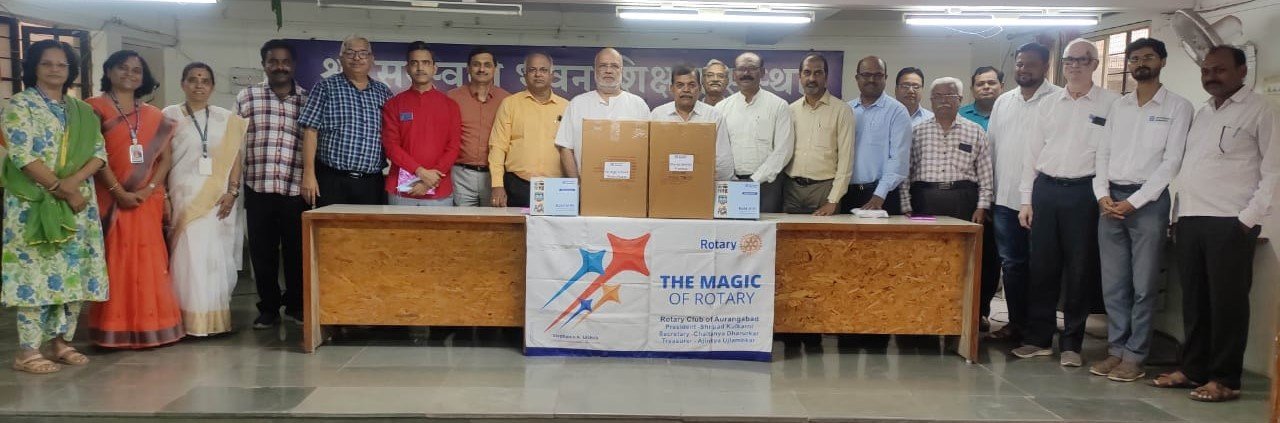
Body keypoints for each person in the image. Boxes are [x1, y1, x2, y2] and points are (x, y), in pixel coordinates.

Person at [1153, 45, 1278, 403]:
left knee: (1227, 305)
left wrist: (1247, 220)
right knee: (1194, 304)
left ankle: (1225, 379)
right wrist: (1178, 217)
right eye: (1206, 70)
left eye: (1220, 69)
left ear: (1242, 71)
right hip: (1191, 220)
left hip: (1230, 223)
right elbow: (1193, 168)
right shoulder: (1203, 112)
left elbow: (1274, 171)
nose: (1211, 76)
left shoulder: (1261, 111)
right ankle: (1193, 369)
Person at [2, 40, 109, 373]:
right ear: (34, 67)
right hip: (33, 203)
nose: (54, 69)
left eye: (62, 64)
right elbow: (22, 155)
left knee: (72, 273)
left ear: (70, 70)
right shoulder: (20, 105)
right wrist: (60, 188)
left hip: (77, 203)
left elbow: (99, 153)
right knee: (34, 273)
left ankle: (60, 342)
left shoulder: (82, 111)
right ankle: (28, 351)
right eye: (46, 63)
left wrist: (73, 183)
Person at [1090, 37, 1192, 382]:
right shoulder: (1119, 106)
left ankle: (1135, 356)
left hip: (1147, 203)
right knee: (1114, 284)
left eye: (1148, 57)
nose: (1140, 64)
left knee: (1144, 285)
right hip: (1110, 201)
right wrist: (1102, 194)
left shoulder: (1178, 107)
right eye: (1134, 59)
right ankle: (1116, 350)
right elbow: (1102, 153)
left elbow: (1171, 162)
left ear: (1162, 61)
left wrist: (1135, 201)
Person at [1014, 39, 1120, 367]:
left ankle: (1072, 344)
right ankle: (1039, 339)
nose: (1074, 66)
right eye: (1069, 60)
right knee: (1042, 268)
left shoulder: (1111, 104)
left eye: (1082, 60)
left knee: (1080, 269)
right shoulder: (1048, 103)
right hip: (1046, 189)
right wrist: (1026, 200)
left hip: (1084, 193)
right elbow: (1031, 153)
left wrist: (1103, 195)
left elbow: (1111, 154)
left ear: (1095, 64)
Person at [87, 49, 183, 348]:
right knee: (117, 262)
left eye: (136, 70)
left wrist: (149, 188)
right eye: (123, 67)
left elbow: (165, 159)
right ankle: (115, 329)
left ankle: (153, 326)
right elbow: (93, 154)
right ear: (109, 71)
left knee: (150, 262)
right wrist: (119, 192)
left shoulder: (155, 115)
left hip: (146, 200)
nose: (130, 74)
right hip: (110, 199)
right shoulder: (93, 108)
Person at [985, 43, 1062, 342]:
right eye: (1019, 64)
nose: (1023, 69)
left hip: (1043, 201)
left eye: (1030, 64)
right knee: (1012, 266)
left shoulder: (1059, 99)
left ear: (1045, 66)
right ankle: (1017, 324)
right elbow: (990, 148)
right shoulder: (1004, 102)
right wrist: (989, 195)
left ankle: (1041, 327)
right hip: (1005, 199)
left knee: (1043, 267)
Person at [164, 62, 248, 337]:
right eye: (193, 79)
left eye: (205, 80)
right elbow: (160, 159)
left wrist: (232, 191)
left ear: (212, 86)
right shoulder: (168, 115)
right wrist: (164, 196)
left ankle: (213, 320)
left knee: (213, 257)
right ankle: (185, 320)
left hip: (217, 199)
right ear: (183, 84)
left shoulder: (226, 118)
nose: (199, 85)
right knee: (186, 257)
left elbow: (235, 157)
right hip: (182, 195)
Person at [237, 39, 309, 328]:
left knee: (296, 253)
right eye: (273, 61)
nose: (280, 66)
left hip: (295, 189)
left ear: (294, 65)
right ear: (264, 64)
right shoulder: (247, 97)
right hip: (258, 187)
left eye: (285, 61)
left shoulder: (308, 99)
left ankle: (295, 305)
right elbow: (235, 143)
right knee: (262, 253)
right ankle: (268, 308)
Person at [299, 35, 394, 207]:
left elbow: (393, 136)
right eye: (350, 53)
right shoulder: (325, 87)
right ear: (341, 58)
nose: (357, 58)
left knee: (369, 225)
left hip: (371, 183)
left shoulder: (384, 93)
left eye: (363, 53)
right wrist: (308, 174)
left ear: (371, 58)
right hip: (332, 180)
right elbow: (310, 132)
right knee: (329, 225)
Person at [899, 77, 993, 224]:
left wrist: (982, 206)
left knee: (961, 239)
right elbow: (905, 172)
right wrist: (906, 205)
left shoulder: (976, 131)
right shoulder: (916, 132)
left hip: (963, 200)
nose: (943, 100)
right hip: (924, 199)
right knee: (926, 239)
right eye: (938, 96)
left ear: (960, 99)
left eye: (950, 95)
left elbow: (985, 174)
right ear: (931, 100)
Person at [382, 42, 461, 206]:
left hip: (439, 190)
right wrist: (420, 172)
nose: (420, 68)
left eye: (425, 63)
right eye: (414, 63)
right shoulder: (394, 104)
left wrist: (429, 181)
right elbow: (391, 146)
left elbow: (453, 148)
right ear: (407, 68)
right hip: (402, 191)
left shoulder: (450, 106)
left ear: (434, 68)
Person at [715, 52, 794, 213]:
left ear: (762, 72)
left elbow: (783, 150)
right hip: (730, 183)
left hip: (767, 184)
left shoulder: (779, 105)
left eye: (751, 68)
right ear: (734, 74)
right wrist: (730, 178)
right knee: (729, 226)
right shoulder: (721, 108)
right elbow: (717, 149)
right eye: (741, 69)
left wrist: (755, 179)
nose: (746, 73)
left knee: (766, 227)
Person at [555, 48, 651, 177]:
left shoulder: (638, 105)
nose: (608, 70)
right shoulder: (577, 104)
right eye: (603, 66)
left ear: (622, 70)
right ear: (595, 70)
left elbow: (649, 149)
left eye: (614, 66)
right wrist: (577, 184)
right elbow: (565, 147)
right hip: (587, 186)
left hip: (629, 185)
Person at [488, 52, 567, 208]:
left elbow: (573, 150)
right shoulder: (510, 104)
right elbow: (497, 146)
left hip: (556, 187)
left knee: (554, 225)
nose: (538, 74)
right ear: (524, 75)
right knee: (516, 225)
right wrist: (497, 185)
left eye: (543, 70)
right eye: (532, 70)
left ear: (552, 75)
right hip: (517, 185)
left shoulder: (567, 107)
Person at [782, 53, 855, 215]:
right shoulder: (790, 110)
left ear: (826, 77)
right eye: (807, 73)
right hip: (791, 190)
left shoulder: (842, 110)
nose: (812, 78)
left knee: (824, 232)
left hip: (824, 190)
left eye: (818, 73)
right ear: (800, 77)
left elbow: (846, 159)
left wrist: (833, 200)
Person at [843, 56, 911, 216]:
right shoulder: (846, 110)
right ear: (857, 78)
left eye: (878, 75)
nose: (872, 80)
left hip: (882, 196)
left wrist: (879, 195)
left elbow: (899, 159)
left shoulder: (897, 111)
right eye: (866, 74)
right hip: (847, 194)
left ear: (885, 78)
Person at [649, 64, 734, 181]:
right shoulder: (658, 115)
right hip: (665, 183)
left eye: (692, 85)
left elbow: (724, 164)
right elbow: (650, 157)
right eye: (680, 85)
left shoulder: (713, 116)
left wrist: (698, 177)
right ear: (672, 88)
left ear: (699, 88)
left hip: (703, 184)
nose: (686, 90)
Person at [448, 47, 510, 207]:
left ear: (495, 69)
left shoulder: (507, 100)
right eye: (476, 64)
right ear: (468, 68)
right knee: (463, 222)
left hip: (495, 177)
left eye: (487, 65)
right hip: (461, 175)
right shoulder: (452, 97)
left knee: (493, 222)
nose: (482, 69)